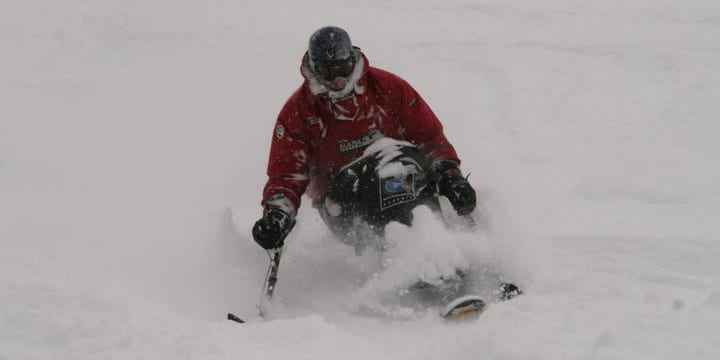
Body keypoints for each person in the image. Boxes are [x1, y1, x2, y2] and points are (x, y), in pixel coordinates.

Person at [251, 26, 519, 319]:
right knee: (387, 173)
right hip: (344, 200)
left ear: (353, 59)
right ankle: (421, 272)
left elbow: (430, 138)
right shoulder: (299, 113)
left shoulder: (389, 88)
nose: (338, 79)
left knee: (407, 168)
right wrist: (277, 215)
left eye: (342, 67)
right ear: (314, 70)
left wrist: (449, 176)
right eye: (328, 72)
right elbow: (286, 174)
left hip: (401, 174)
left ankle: (457, 264)